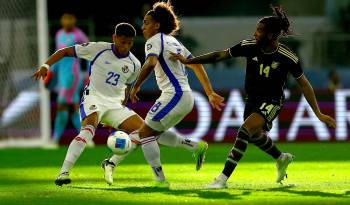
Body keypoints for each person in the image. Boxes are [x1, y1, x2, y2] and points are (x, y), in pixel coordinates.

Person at [170, 5, 336, 189]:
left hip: (272, 101)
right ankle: (281, 158)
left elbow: (304, 84)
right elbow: (220, 55)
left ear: (271, 36)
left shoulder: (287, 57)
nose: (255, 33)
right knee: (254, 136)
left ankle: (222, 179)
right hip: (252, 99)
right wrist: (188, 61)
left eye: (259, 30)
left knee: (244, 130)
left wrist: (319, 114)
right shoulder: (249, 46)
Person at [32, 23, 211, 187]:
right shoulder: (98, 49)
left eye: (129, 43)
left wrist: (118, 114)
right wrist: (46, 66)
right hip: (93, 99)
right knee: (87, 131)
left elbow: (125, 88)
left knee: (146, 132)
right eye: (122, 42)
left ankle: (193, 146)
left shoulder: (134, 64)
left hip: (114, 105)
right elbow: (64, 52)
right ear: (114, 38)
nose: (125, 46)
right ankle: (63, 173)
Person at [128, 1, 225, 188]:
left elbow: (150, 63)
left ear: (157, 25)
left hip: (175, 95)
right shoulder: (174, 42)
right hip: (183, 96)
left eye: (147, 22)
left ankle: (160, 181)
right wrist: (209, 92)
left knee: (145, 133)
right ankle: (195, 146)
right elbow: (196, 63)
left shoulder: (154, 41)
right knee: (152, 133)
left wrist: (136, 85)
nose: (143, 26)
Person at [47, 13, 89, 146]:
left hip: (73, 75)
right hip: (61, 75)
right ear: (61, 20)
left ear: (74, 20)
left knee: (62, 105)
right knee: (71, 108)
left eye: (70, 18)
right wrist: (51, 72)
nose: (67, 21)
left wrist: (89, 73)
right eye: (65, 18)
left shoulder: (79, 35)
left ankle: (55, 140)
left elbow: (90, 52)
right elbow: (57, 54)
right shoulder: (59, 34)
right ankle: (86, 139)